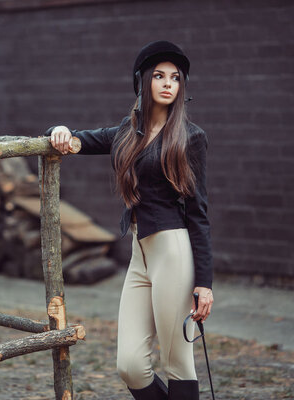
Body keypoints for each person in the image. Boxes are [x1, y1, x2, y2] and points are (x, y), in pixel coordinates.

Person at [45, 41, 214, 400]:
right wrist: (58, 130)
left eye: (175, 78)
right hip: (140, 255)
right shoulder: (128, 131)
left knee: (177, 360)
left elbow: (198, 213)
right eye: (159, 76)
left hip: (173, 251)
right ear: (143, 82)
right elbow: (81, 140)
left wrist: (205, 282)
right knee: (131, 366)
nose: (169, 84)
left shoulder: (190, 138)